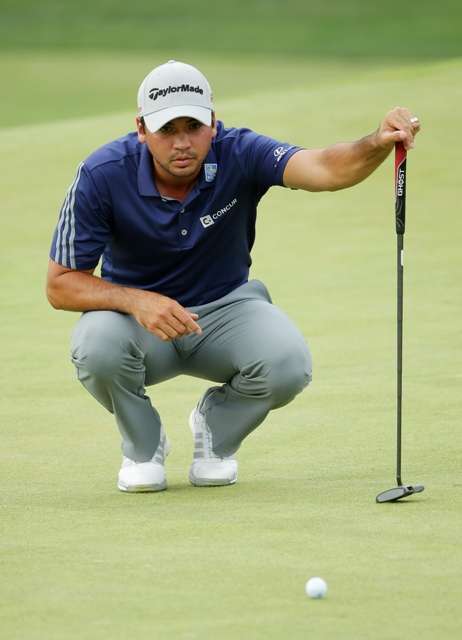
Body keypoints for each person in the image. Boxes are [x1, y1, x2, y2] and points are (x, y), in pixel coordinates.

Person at [46, 60, 421, 493]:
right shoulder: (101, 174)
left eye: (194, 126)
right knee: (95, 348)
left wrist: (377, 142)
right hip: (137, 323)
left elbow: (325, 168)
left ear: (213, 123)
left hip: (225, 310)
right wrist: (137, 301)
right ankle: (143, 446)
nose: (182, 143)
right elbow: (60, 284)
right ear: (142, 129)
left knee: (287, 364)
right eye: (168, 130)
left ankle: (215, 430)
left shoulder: (239, 151)